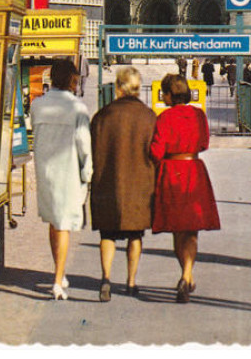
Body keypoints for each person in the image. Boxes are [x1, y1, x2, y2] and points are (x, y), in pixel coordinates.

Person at [150, 73, 220, 303]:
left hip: (171, 171)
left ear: (170, 94)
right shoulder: (198, 115)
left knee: (177, 228)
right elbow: (204, 143)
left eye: (165, 93)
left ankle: (186, 275)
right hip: (193, 169)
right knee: (192, 228)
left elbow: (156, 151)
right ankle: (187, 275)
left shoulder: (164, 118)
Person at [90, 66, 156, 300]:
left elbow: (93, 149)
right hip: (139, 185)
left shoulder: (102, 115)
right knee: (135, 235)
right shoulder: (148, 116)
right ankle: (130, 281)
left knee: (106, 235)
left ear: (118, 87)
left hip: (107, 183)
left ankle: (106, 278)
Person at [30, 58, 92, 299]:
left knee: (54, 222)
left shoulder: (37, 105)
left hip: (46, 171)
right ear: (71, 80)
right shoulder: (77, 108)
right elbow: (84, 144)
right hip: (68, 171)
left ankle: (60, 271)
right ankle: (57, 281)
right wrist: (88, 172)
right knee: (64, 223)